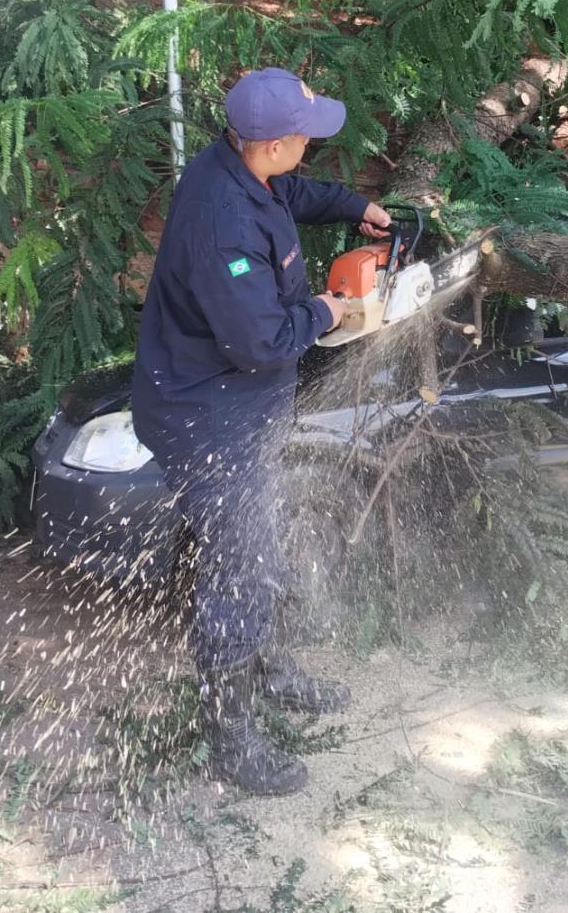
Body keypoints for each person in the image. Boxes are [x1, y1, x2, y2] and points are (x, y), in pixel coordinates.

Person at [131, 67, 391, 795]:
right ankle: (231, 738)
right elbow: (261, 342)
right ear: (273, 143)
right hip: (208, 417)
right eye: (304, 137)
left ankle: (269, 668)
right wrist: (330, 310)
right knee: (238, 569)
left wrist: (358, 206)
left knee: (259, 544)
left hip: (239, 407)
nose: (309, 145)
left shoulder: (241, 168)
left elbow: (296, 195)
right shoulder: (223, 224)